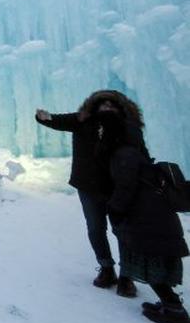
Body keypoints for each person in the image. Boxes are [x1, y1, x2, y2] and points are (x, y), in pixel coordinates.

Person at [36, 90, 140, 296]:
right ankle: (107, 269)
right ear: (93, 106)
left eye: (112, 105)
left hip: (119, 188)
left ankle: (127, 276)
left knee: (123, 232)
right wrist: (44, 117)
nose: (107, 107)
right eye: (103, 104)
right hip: (89, 187)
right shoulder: (81, 121)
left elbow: (140, 154)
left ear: (120, 108)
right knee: (95, 229)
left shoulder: (128, 127)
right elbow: (56, 121)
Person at [98, 98, 189, 323]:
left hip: (146, 218)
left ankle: (175, 311)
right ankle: (170, 304)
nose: (100, 133)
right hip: (155, 216)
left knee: (151, 263)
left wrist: (114, 208)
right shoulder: (134, 149)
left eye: (102, 129)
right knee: (154, 262)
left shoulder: (124, 153)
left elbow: (126, 186)